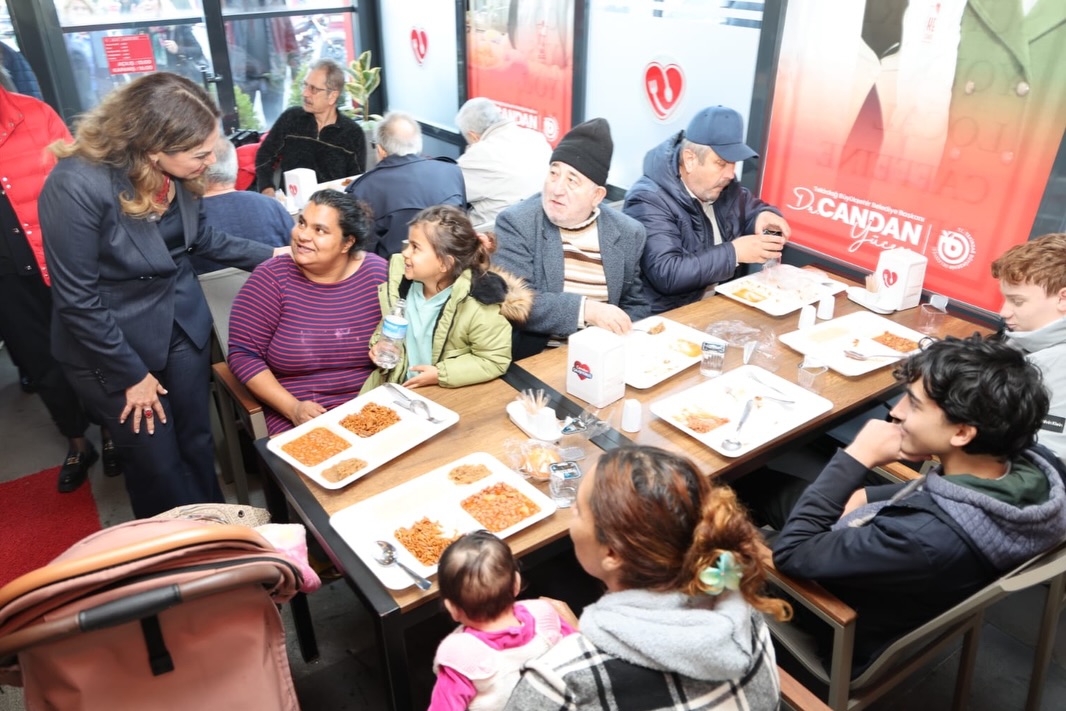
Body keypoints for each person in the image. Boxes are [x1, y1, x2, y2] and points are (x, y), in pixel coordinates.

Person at [39, 72, 281, 518]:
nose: (211, 161)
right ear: (153, 147)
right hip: (112, 344)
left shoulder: (179, 172)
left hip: (180, 326)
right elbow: (77, 299)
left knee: (197, 443)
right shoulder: (76, 183)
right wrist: (131, 375)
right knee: (157, 464)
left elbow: (199, 238)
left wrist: (277, 255)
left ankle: (215, 537)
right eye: (200, 154)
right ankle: (174, 552)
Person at [772, 335, 1066, 677]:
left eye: (913, 404)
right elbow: (951, 495)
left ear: (962, 433)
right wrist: (868, 497)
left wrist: (858, 456)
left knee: (748, 489)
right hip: (903, 574)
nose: (895, 412)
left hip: (834, 620)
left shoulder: (922, 539)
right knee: (780, 487)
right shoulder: (1040, 469)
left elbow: (790, 553)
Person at [505, 446, 789, 710]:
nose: (571, 515)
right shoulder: (739, 603)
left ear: (612, 552)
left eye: (578, 510)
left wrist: (573, 645)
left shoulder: (560, 681)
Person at [0, 83, 111, 492]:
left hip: (61, 258)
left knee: (93, 350)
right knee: (40, 362)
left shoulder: (34, 114)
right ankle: (78, 442)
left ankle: (112, 431)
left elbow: (75, 179)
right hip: (8, 277)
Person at [228, 190, 388, 435]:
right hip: (298, 410)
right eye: (302, 223)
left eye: (319, 230)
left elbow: (406, 335)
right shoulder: (271, 279)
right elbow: (244, 354)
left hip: (374, 402)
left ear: (347, 243)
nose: (302, 235)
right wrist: (292, 408)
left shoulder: (377, 274)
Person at [493, 118, 649, 359]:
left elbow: (635, 303)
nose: (556, 189)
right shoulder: (517, 222)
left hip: (604, 352)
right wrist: (587, 310)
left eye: (572, 180)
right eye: (553, 174)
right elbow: (514, 301)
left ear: (597, 196)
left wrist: (622, 342)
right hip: (539, 357)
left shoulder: (629, 232)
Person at [623, 105, 790, 314]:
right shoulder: (648, 199)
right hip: (662, 317)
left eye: (733, 164)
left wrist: (764, 215)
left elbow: (749, 208)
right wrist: (735, 253)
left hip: (714, 307)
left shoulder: (722, 186)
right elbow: (667, 272)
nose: (730, 174)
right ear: (690, 160)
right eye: (721, 163)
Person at [363, 205, 530, 391]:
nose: (405, 252)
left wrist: (440, 374)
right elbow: (388, 326)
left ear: (445, 263)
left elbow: (494, 359)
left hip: (443, 393)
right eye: (408, 244)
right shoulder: (401, 287)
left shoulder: (477, 305)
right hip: (396, 388)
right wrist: (379, 344)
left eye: (415, 247)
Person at [430, 530, 575, 710]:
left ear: (452, 609)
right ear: (516, 584)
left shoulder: (460, 656)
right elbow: (581, 657)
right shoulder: (544, 616)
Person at [345, 112, 467, 258]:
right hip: (450, 262)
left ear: (381, 150)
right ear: (419, 144)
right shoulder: (452, 172)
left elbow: (363, 252)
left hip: (394, 270)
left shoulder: (364, 189)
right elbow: (463, 223)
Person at [992, 233, 1066, 463]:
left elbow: (1046, 459)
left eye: (1018, 301)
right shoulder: (1027, 337)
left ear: (1063, 299)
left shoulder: (1059, 366)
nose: (1004, 312)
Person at [255, 59, 366, 197]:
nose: (305, 93)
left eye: (313, 89)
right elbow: (264, 155)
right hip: (290, 205)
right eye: (305, 85)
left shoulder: (352, 133)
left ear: (332, 96)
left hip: (329, 208)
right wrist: (266, 188)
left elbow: (356, 184)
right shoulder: (291, 119)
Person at [193, 137, 293, 274]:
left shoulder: (183, 222)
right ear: (235, 167)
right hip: (276, 286)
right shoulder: (272, 206)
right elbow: (302, 255)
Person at [455, 97, 552, 228]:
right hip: (540, 224)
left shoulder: (480, 153)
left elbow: (448, 191)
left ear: (473, 135)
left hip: (495, 232)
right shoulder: (536, 137)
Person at [131, 0, 207, 85]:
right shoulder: (140, 31)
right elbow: (133, 59)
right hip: (153, 81)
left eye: (151, 0)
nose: (147, 4)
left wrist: (178, 49)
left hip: (179, 79)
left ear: (161, 4)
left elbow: (197, 50)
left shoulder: (177, 27)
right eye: (143, 1)